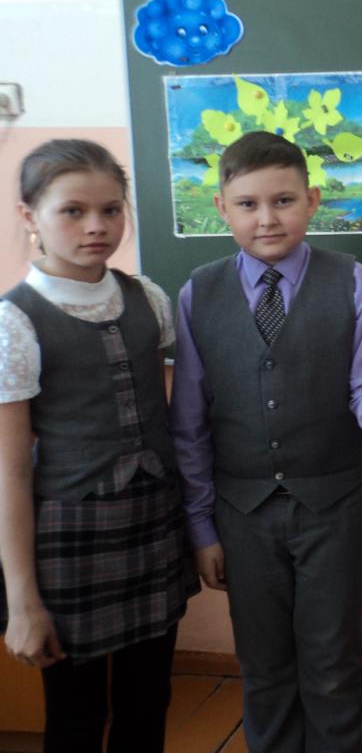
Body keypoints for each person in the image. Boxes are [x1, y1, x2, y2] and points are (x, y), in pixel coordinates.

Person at [169, 131, 362, 752]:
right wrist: (201, 528)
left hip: (336, 509)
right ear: (222, 208)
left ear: (311, 200)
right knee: (264, 667)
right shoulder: (199, 293)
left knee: (334, 665)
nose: (267, 218)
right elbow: (190, 422)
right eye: (247, 204)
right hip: (242, 515)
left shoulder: (354, 281)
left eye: (283, 200)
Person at [0, 139, 198, 751]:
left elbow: (170, 418)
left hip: (153, 524)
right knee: (76, 715)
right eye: (73, 211)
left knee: (149, 700)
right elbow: (11, 474)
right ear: (30, 215)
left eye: (111, 210)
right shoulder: (15, 322)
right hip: (70, 536)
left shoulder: (146, 298)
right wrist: (22, 603)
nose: (96, 226)